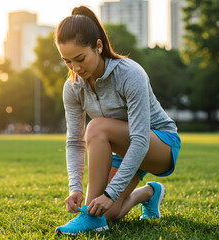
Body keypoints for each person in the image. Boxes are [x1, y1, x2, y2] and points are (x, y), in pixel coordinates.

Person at [54, 5, 181, 235]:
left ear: (99, 46)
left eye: (80, 58)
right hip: (122, 148)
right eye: (67, 61)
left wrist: (109, 193)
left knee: (97, 127)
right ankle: (149, 193)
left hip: (160, 144)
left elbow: (140, 140)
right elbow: (74, 141)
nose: (75, 68)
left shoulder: (130, 73)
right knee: (108, 213)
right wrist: (75, 187)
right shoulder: (72, 87)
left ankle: (90, 220)